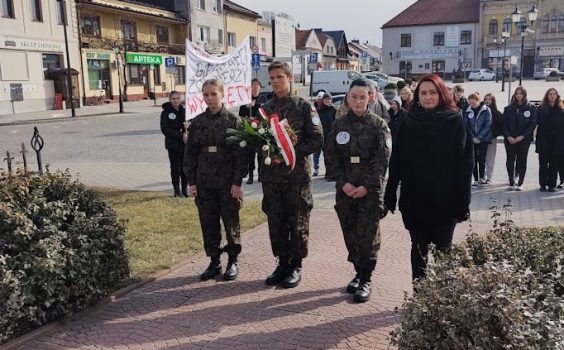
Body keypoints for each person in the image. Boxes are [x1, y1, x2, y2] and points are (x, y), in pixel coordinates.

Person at [384, 74, 473, 283]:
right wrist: (390, 194)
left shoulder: (455, 121)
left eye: (433, 92)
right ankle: (420, 297)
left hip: (445, 202)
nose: (428, 97)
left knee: (444, 254)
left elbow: (465, 165)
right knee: (418, 251)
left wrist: (463, 203)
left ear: (442, 94)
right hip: (415, 200)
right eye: (423, 93)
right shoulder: (409, 121)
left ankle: (442, 302)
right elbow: (396, 160)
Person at [324, 78, 391, 303]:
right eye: (354, 96)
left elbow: (382, 160)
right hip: (346, 190)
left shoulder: (379, 125)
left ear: (370, 97)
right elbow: (331, 156)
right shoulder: (339, 124)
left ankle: (366, 278)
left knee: (368, 235)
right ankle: (358, 271)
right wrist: (344, 183)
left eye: (363, 97)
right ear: (348, 97)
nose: (359, 101)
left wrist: (366, 186)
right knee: (350, 232)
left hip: (369, 191)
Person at [261, 61, 323, 288]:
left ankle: (296, 265)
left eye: (280, 76)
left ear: (289, 78)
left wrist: (290, 153)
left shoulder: (303, 106)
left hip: (296, 177)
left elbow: (317, 139)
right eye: (272, 78)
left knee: (297, 221)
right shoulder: (265, 109)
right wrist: (269, 151)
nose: (276, 81)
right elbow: (258, 141)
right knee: (276, 221)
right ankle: (282, 262)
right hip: (272, 177)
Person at [184, 79, 246, 281]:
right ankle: (214, 262)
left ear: (222, 94)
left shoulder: (233, 121)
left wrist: (237, 183)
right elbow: (190, 154)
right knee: (208, 222)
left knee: (230, 222)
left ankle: (233, 261)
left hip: (227, 181)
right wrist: (191, 182)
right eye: (206, 94)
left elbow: (241, 156)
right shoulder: (198, 122)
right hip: (204, 180)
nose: (209, 98)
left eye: (213, 94)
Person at [502, 86, 537, 191]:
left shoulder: (531, 108)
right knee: (510, 160)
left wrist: (522, 136)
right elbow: (504, 124)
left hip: (524, 139)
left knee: (522, 160)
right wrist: (508, 136)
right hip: (510, 139)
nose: (519, 95)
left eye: (521, 93)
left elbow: (533, 124)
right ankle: (511, 182)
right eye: (517, 93)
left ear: (524, 95)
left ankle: (520, 182)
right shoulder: (508, 109)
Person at [239, 78, 268, 184]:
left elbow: (265, 110)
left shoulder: (264, 99)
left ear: (260, 87)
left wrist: (256, 105)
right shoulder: (246, 99)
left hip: (261, 130)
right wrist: (247, 107)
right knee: (250, 155)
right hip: (250, 130)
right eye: (253, 85)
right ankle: (251, 175)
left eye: (257, 85)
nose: (255, 87)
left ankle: (260, 175)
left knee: (261, 154)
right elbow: (240, 115)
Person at [535, 88, 564, 192]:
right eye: (550, 94)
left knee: (554, 164)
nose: (552, 96)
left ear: (557, 96)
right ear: (547, 96)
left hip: (556, 141)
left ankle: (552, 185)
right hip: (544, 140)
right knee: (543, 164)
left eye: (554, 94)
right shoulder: (541, 109)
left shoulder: (561, 110)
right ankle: (542, 184)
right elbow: (539, 123)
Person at [160, 91, 188, 197]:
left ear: (180, 99)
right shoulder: (166, 113)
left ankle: (185, 190)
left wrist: (188, 125)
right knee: (176, 168)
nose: (176, 100)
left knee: (184, 168)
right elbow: (165, 129)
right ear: (170, 100)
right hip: (173, 145)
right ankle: (177, 190)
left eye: (177, 98)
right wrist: (180, 135)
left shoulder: (184, 111)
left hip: (184, 144)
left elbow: (190, 126)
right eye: (174, 98)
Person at [463, 93, 492, 186]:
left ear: (478, 101)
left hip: (484, 139)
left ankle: (482, 178)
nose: (471, 105)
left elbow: (488, 124)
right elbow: (466, 125)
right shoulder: (468, 111)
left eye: (473, 103)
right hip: (472, 139)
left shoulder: (486, 109)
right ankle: (475, 179)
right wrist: (473, 137)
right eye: (470, 103)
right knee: (473, 158)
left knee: (481, 158)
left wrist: (479, 137)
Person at [313, 92, 337, 178]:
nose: (327, 101)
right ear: (323, 100)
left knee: (329, 156)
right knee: (318, 154)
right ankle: (318, 170)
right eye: (326, 99)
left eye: (329, 99)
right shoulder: (318, 110)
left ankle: (330, 173)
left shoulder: (333, 109)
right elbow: (315, 123)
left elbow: (336, 122)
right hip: (321, 136)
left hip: (331, 136)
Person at [483, 93, 504, 184]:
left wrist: (493, 134)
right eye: (486, 99)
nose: (487, 101)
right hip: (481, 139)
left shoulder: (497, 114)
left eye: (489, 99)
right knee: (481, 158)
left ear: (493, 101)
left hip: (492, 139)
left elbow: (501, 128)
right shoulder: (481, 111)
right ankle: (482, 176)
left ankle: (489, 177)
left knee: (490, 158)